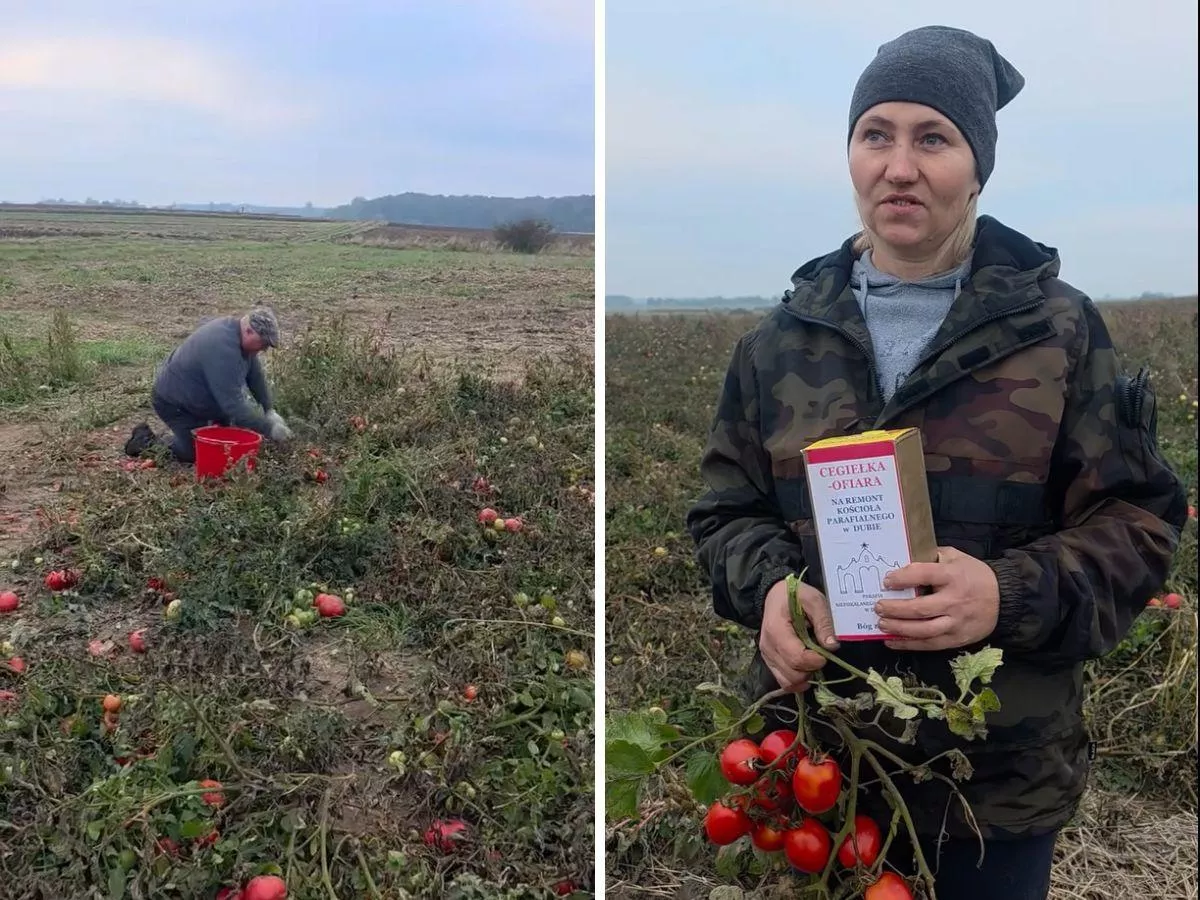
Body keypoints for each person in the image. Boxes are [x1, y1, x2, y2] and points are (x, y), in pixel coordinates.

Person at [685, 25, 1186, 900]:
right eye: (875, 133)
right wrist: (770, 588)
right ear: (850, 153)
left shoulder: (1058, 334)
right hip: (815, 766)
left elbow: (1140, 526)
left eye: (933, 138)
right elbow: (724, 513)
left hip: (991, 783)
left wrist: (1006, 593)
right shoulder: (777, 343)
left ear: (978, 168)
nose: (899, 166)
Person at [125, 306, 294, 463]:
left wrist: (268, 409)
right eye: (263, 344)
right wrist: (269, 429)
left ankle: (198, 429)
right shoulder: (223, 349)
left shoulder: (239, 337)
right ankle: (145, 442)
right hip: (175, 403)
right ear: (249, 331)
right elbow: (233, 405)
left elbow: (255, 375)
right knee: (197, 452)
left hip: (199, 400)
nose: (264, 349)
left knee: (228, 439)